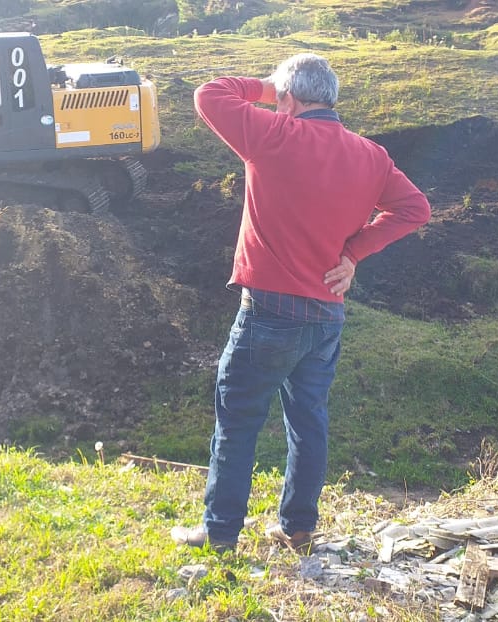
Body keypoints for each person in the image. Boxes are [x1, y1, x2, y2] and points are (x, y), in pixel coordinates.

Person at [171, 54, 431, 553]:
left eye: (282, 95)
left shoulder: (273, 134)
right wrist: (353, 253)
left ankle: (221, 533)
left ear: (289, 98)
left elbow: (209, 94)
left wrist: (267, 88)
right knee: (309, 421)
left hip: (268, 312)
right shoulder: (371, 155)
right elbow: (415, 208)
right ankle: (298, 529)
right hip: (326, 315)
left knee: (238, 421)